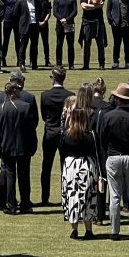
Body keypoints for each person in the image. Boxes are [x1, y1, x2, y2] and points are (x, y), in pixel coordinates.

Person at [99, 83, 129, 240]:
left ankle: (114, 231)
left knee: (115, 196)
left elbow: (102, 139)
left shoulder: (107, 117)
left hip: (113, 157)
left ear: (117, 99)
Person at [0, 80, 37, 215]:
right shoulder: (25, 106)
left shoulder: (0, 108)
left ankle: (11, 205)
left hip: (6, 148)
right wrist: (33, 146)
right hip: (23, 147)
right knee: (24, 176)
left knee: (10, 176)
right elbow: (31, 129)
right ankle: (25, 204)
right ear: (15, 91)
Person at [60, 101, 98, 240]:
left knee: (72, 196)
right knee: (89, 196)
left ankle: (74, 229)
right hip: (87, 165)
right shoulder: (91, 135)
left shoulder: (66, 135)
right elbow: (95, 151)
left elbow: (62, 151)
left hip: (70, 166)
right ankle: (89, 230)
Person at [39, 67, 74, 207]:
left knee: (46, 166)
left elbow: (43, 116)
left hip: (50, 133)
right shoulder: (70, 95)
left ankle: (45, 197)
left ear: (53, 78)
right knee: (65, 166)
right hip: (65, 134)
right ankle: (66, 196)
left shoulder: (45, 95)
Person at [80, 0, 107, 70]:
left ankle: (101, 64)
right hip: (87, 22)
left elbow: (96, 0)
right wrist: (96, 6)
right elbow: (83, 6)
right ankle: (86, 65)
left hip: (98, 22)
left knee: (100, 44)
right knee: (87, 44)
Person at [52, 0, 78, 70]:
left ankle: (71, 64)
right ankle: (59, 64)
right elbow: (55, 12)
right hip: (60, 25)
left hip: (70, 24)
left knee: (70, 44)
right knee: (59, 44)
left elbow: (75, 11)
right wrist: (61, 19)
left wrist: (66, 19)